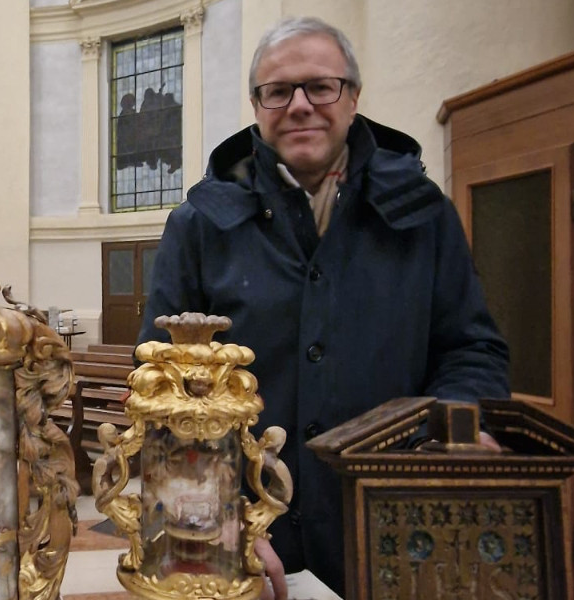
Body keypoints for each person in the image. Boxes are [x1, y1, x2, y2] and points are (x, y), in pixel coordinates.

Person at [135, 16, 509, 599]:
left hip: (392, 529)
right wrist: (214, 526)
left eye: (321, 86)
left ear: (353, 97)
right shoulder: (200, 224)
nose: (300, 105)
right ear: (257, 105)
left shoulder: (424, 214)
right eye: (278, 91)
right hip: (250, 544)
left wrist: (457, 424)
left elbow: (470, 348)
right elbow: (161, 386)